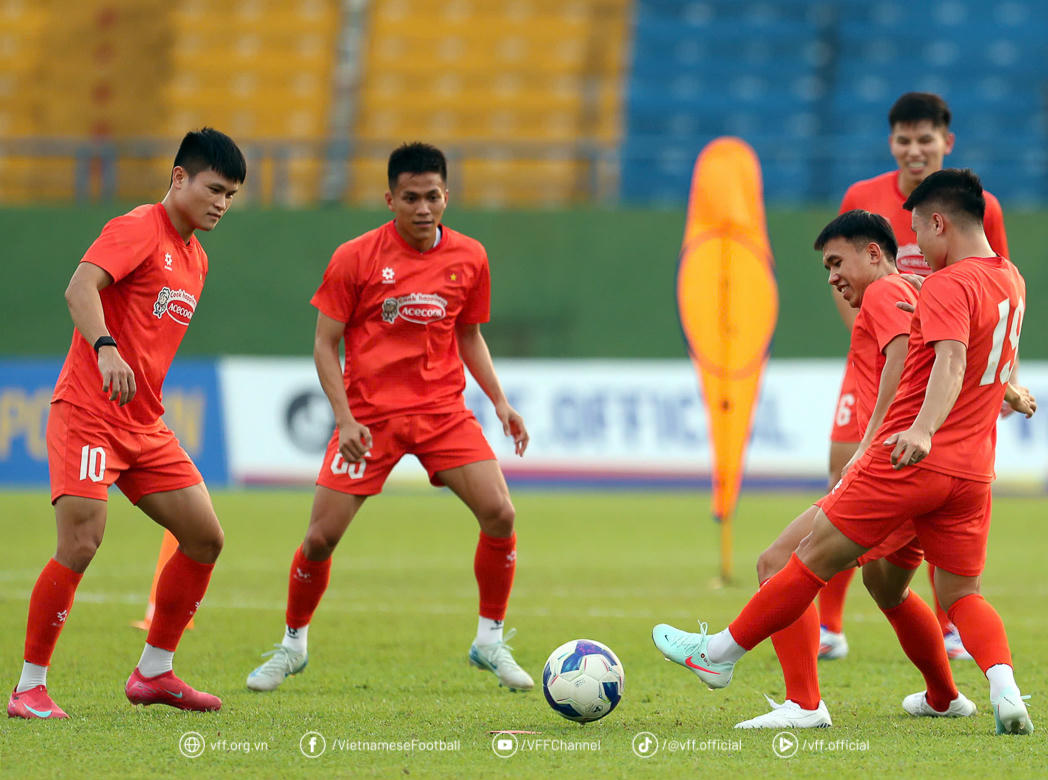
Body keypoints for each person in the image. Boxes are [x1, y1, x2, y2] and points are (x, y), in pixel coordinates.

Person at [654, 169, 1035, 735]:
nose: (917, 251)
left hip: (909, 460)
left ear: (937, 222)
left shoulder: (907, 287)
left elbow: (928, 358)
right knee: (925, 591)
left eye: (837, 263)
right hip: (972, 472)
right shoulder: (1009, 279)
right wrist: (1005, 385)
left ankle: (734, 660)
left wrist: (891, 435)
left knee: (784, 561)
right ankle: (983, 693)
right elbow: (963, 351)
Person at [245, 142, 533, 694]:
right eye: (410, 198)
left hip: (443, 412)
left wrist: (498, 401)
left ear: (447, 195)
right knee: (320, 539)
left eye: (432, 196)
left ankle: (490, 640)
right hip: (370, 420)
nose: (423, 208)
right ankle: (292, 645)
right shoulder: (355, 257)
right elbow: (325, 345)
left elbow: (468, 334)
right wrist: (345, 418)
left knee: (499, 512)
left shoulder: (470, 257)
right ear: (390, 199)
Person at [7, 128, 246, 719]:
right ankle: (29, 688)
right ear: (178, 178)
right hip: (88, 412)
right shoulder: (140, 226)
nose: (221, 203)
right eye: (214, 189)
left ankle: (154, 673)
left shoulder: (198, 259)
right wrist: (105, 347)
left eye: (231, 196)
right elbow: (79, 287)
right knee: (82, 542)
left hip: (144, 426)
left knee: (204, 537)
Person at [735, 210, 974, 729]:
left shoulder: (887, 291)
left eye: (837, 262)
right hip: (919, 467)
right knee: (887, 589)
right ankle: (945, 696)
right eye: (826, 268)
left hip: (890, 468)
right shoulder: (919, 288)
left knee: (777, 563)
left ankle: (802, 704)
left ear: (874, 253)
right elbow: (950, 356)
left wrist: (870, 440)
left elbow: (904, 351)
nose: (832, 277)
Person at [818, 93, 1010, 661]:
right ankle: (830, 626)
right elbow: (846, 280)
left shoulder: (980, 208)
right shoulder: (862, 197)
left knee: (939, 484)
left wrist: (1002, 376)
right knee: (842, 480)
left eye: (925, 139)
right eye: (904, 139)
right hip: (877, 361)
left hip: (945, 366)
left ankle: (951, 626)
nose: (914, 149)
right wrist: (877, 342)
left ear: (946, 143)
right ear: (891, 144)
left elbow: (996, 290)